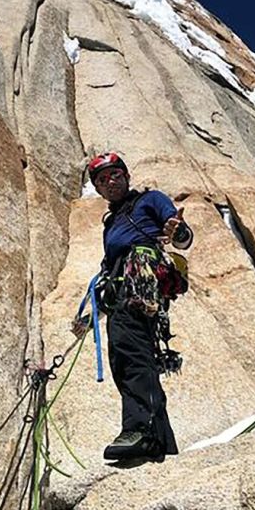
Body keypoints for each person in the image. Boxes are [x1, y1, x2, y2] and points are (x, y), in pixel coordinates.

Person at [73, 152, 193, 463]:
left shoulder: (150, 200)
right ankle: (159, 443)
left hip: (141, 280)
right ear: (98, 189)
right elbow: (111, 274)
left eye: (114, 175)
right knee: (126, 355)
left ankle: (141, 429)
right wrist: (91, 319)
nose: (109, 181)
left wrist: (176, 231)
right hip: (121, 286)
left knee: (131, 353)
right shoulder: (111, 223)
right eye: (102, 179)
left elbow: (182, 237)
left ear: (126, 177)